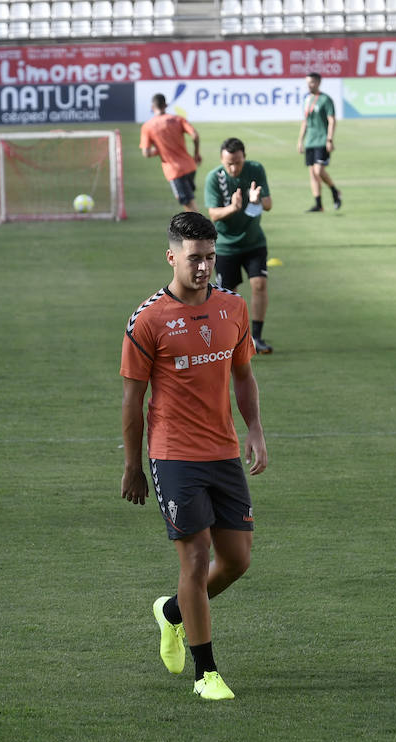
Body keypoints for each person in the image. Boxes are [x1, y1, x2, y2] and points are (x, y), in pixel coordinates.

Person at [120, 211, 269, 701]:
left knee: (237, 561)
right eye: (193, 259)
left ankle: (172, 614)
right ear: (171, 257)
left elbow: (243, 375)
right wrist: (132, 467)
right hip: (173, 455)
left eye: (210, 257)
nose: (203, 267)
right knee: (196, 557)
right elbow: (132, 400)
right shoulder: (148, 319)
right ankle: (207, 674)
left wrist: (255, 432)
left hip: (223, 451)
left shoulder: (233, 308)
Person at [204, 137, 274, 355]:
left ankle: (257, 337)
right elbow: (213, 213)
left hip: (254, 241)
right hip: (225, 246)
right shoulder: (214, 178)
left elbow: (268, 204)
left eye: (237, 162)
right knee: (228, 296)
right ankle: (233, 341)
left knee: (260, 285)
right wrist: (233, 208)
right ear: (221, 161)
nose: (233, 168)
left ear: (244, 157)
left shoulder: (255, 169)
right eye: (229, 164)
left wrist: (256, 200)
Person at [139, 93, 202, 212]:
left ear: (152, 107)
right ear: (166, 105)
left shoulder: (148, 126)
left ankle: (199, 230)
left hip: (174, 170)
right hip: (190, 166)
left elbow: (146, 153)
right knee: (187, 200)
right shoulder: (178, 119)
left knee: (189, 205)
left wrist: (160, 149)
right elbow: (195, 135)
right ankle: (192, 228)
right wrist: (197, 153)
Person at [297, 72, 340, 213]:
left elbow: (332, 121)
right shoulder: (306, 99)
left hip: (322, 140)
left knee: (319, 170)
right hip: (310, 141)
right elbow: (305, 122)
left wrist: (329, 139)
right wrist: (300, 141)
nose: (309, 85)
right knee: (313, 174)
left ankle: (334, 190)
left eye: (312, 82)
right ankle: (318, 204)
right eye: (308, 82)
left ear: (318, 82)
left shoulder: (325, 100)